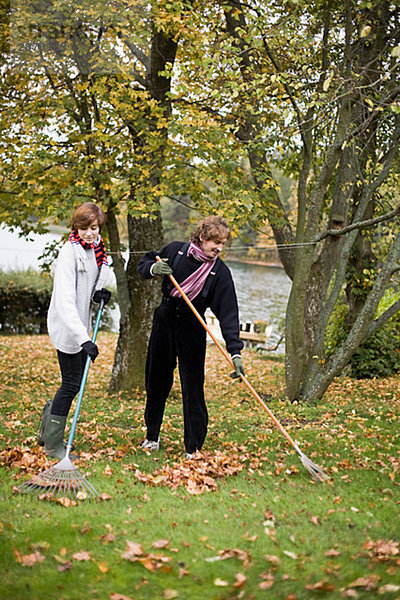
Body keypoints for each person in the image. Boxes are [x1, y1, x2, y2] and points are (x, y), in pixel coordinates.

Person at [137, 215, 245, 458]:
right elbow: (143, 264)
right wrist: (154, 268)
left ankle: (193, 448)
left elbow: (229, 313)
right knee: (156, 382)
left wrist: (235, 351)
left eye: (223, 243)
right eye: (215, 242)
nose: (219, 248)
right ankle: (152, 436)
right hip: (164, 319)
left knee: (193, 387)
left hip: (193, 325)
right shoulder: (176, 251)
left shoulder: (219, 272)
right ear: (202, 237)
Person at [38, 202, 111, 459]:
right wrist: (84, 340)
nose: (89, 232)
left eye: (93, 227)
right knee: (71, 384)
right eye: (84, 228)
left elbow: (88, 288)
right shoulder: (69, 252)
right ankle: (52, 445)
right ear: (75, 226)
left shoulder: (95, 249)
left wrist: (98, 294)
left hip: (81, 326)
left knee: (74, 383)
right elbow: (66, 301)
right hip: (69, 329)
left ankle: (46, 430)